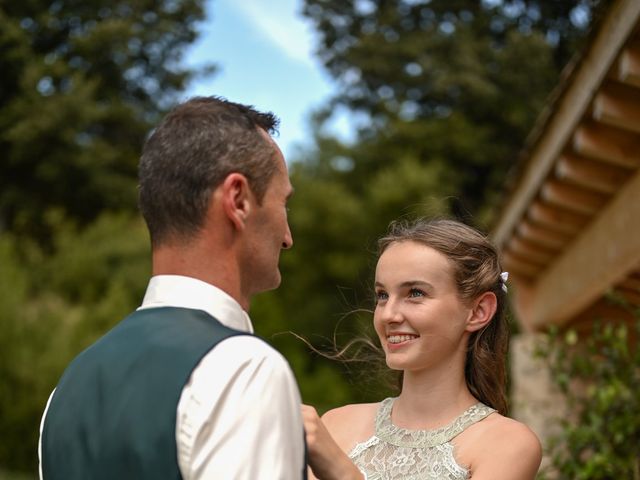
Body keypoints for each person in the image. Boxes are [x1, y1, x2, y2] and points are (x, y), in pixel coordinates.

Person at [38, 96, 306, 479]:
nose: (287, 237)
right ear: (238, 200)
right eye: (284, 203)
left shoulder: (69, 387)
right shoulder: (243, 370)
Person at [302, 218, 542, 480]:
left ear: (478, 311)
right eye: (382, 295)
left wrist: (342, 471)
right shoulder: (336, 424)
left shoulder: (506, 444)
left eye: (415, 293)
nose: (388, 315)